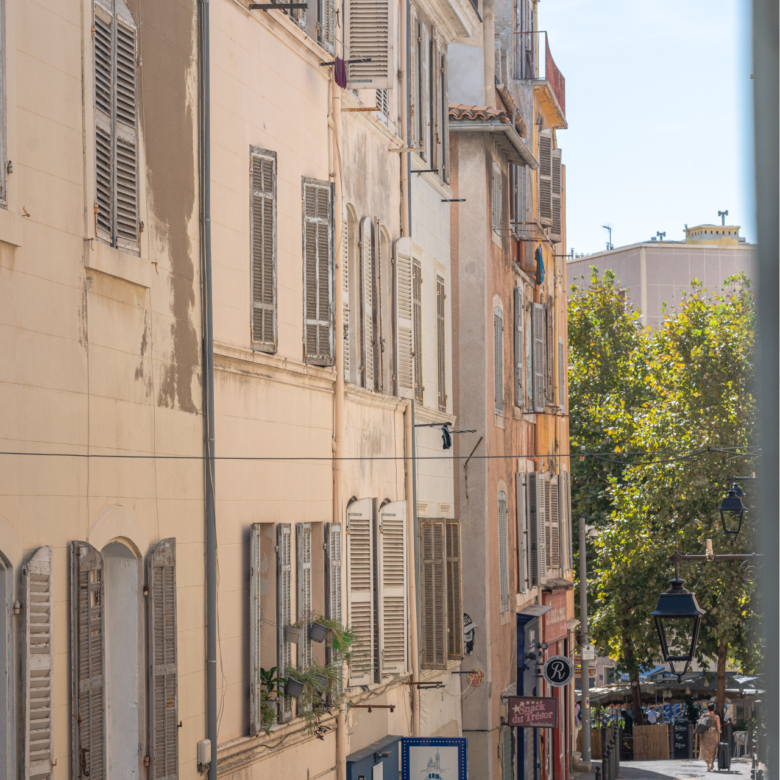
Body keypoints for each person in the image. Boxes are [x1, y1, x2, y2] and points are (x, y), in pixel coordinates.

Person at [699, 702, 722, 771]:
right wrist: (719, 731)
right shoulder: (716, 717)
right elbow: (718, 727)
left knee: (706, 749)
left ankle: (708, 765)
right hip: (713, 734)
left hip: (705, 734)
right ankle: (712, 763)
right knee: (713, 749)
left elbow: (700, 724)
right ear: (714, 709)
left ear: (708, 709)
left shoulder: (704, 716)